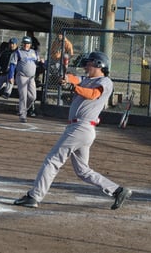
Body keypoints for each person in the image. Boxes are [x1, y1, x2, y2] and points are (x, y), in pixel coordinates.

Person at [14, 51, 133, 209]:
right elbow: (75, 78)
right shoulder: (86, 79)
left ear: (99, 65)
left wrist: (73, 87)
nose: (86, 66)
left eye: (89, 64)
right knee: (83, 171)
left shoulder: (105, 81)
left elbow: (92, 94)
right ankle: (118, 190)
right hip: (78, 128)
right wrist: (67, 79)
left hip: (81, 127)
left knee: (53, 160)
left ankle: (34, 196)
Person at [8, 36, 42, 122]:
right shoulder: (18, 53)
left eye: (28, 43)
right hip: (21, 76)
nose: (26, 45)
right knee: (23, 96)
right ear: (22, 44)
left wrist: (41, 62)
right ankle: (23, 115)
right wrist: (11, 76)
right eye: (25, 43)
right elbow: (12, 65)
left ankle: (22, 108)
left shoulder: (34, 52)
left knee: (33, 97)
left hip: (31, 78)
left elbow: (38, 63)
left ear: (30, 44)